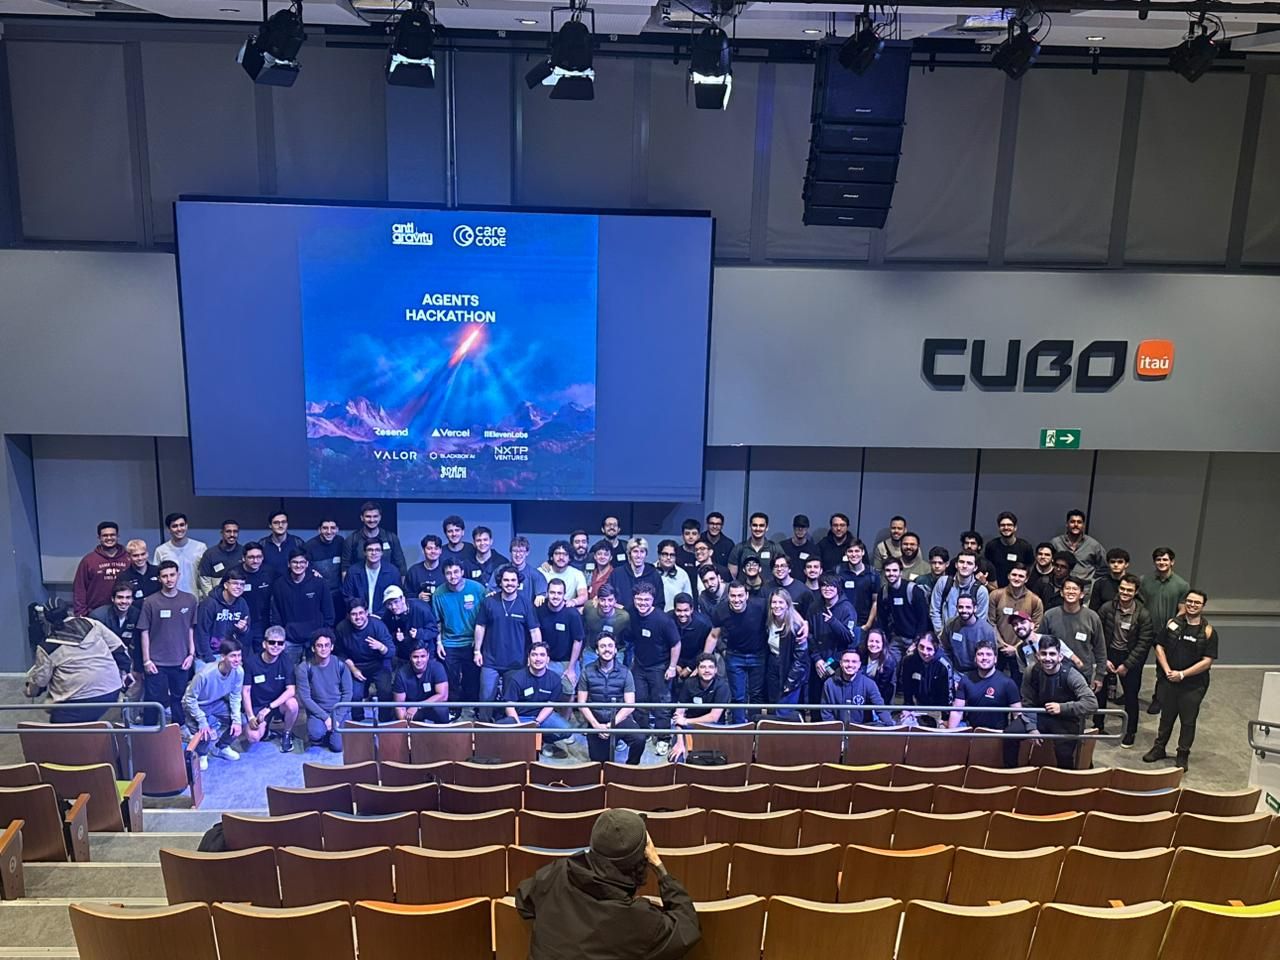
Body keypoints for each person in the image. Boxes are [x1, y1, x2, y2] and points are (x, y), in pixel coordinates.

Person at [514, 808, 701, 960]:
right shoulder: (639, 919)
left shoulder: (556, 873)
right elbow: (687, 928)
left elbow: (523, 901)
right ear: (643, 861)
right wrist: (660, 869)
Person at [1143, 588, 1217, 770]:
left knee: (1188, 721)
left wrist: (1182, 674)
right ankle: (1159, 748)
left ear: (1203, 606)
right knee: (1166, 718)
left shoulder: (1208, 631)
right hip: (1169, 681)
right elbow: (1159, 646)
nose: (1192, 605)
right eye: (1190, 601)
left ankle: (1182, 754)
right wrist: (1168, 670)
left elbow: (1207, 661)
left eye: (1197, 603)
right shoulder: (1172, 624)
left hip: (1193, 686)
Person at [25, 599, 131, 723]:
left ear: (46, 619)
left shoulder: (47, 647)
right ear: (68, 611)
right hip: (111, 691)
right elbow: (118, 648)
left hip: (76, 701)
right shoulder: (92, 623)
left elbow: (40, 681)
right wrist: (125, 672)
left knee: (58, 727)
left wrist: (30, 691)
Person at [1018, 635, 1098, 769]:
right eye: (1043, 653)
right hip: (1040, 715)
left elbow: (1091, 703)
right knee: (1010, 735)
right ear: (1038, 655)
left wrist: (1062, 708)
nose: (1047, 658)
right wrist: (1031, 727)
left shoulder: (1072, 675)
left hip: (1065, 719)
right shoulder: (1031, 671)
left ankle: (1065, 779)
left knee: (1064, 754)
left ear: (1060, 657)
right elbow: (1027, 701)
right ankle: (1012, 774)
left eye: (1052, 654)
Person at [475, 565, 541, 721]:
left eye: (513, 580)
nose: (509, 583)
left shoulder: (526, 604)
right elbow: (480, 626)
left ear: (518, 583)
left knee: (511, 701)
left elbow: (534, 631)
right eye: (506, 580)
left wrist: (537, 655)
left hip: (516, 662)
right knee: (485, 699)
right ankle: (483, 729)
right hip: (490, 661)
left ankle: (508, 729)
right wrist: (477, 651)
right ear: (500, 582)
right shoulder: (489, 602)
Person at [1098, 574, 1155, 748]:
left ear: (1135, 592)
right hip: (1109, 654)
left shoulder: (1143, 614)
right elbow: (1098, 635)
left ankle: (1130, 732)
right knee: (1100, 691)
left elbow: (1144, 643)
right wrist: (1104, 659)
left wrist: (1127, 664)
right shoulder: (1107, 608)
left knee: (1131, 697)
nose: (1125, 592)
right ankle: (1098, 726)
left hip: (1130, 658)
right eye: (1122, 589)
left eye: (1129, 590)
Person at [138, 560, 197, 726]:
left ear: (178, 575)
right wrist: (146, 660)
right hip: (156, 662)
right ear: (159, 579)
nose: (169, 579)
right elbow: (144, 631)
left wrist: (191, 655)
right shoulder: (150, 602)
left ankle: (179, 729)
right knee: (153, 701)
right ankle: (149, 731)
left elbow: (191, 629)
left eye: (172, 575)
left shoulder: (190, 600)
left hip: (181, 661)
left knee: (178, 699)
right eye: (164, 576)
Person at [1041, 576, 1107, 724]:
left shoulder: (1092, 617)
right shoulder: (1050, 615)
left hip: (1082, 675)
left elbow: (1100, 649)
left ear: (1082, 594)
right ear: (1062, 592)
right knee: (1053, 714)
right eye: (1067, 588)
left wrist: (1099, 676)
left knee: (1078, 718)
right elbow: (1040, 644)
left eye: (1075, 589)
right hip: (1053, 674)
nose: (1071, 592)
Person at [949, 639, 1023, 767]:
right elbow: (957, 711)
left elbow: (1018, 715)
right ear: (975, 658)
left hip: (998, 737)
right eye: (980, 654)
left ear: (995, 659)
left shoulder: (1008, 683)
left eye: (988, 654)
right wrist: (950, 736)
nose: (984, 658)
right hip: (973, 735)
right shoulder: (965, 680)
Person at [577, 635, 647, 765]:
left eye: (610, 646)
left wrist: (611, 725)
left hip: (619, 719)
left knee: (639, 739)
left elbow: (630, 705)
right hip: (596, 720)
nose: (607, 649)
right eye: (602, 646)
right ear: (597, 651)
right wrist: (596, 726)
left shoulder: (625, 672)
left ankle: (630, 768)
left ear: (615, 650)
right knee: (600, 763)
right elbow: (581, 704)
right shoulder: (587, 671)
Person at [706, 582, 769, 723]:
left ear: (747, 595)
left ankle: (755, 726)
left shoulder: (761, 605)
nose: (737, 599)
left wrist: (803, 623)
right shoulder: (720, 610)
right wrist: (704, 660)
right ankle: (739, 728)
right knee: (737, 696)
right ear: (728, 596)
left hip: (758, 655)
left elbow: (784, 609)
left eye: (740, 595)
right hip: (735, 656)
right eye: (733, 596)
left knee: (756, 695)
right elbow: (714, 636)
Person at [1139, 547, 1190, 717]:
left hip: (1166, 634)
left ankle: (1158, 699)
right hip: (1144, 630)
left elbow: (1183, 609)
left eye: (1165, 559)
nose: (1162, 562)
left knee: (1162, 669)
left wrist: (1173, 622)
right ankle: (1130, 693)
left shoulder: (1182, 585)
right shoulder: (1144, 581)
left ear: (1172, 562)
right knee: (1135, 664)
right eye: (1158, 559)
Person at [432, 559, 487, 715]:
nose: (453, 576)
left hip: (473, 642)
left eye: (456, 572)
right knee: (452, 680)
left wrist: (480, 645)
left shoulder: (478, 589)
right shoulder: (439, 593)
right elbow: (437, 621)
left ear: (462, 572)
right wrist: (439, 642)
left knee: (473, 679)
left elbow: (486, 617)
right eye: (448, 573)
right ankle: (454, 709)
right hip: (449, 643)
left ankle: (474, 709)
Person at [181, 638, 243, 770]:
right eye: (233, 656)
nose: (237, 660)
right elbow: (189, 699)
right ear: (223, 657)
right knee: (205, 733)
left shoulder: (239, 671)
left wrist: (236, 720)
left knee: (240, 722)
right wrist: (202, 721)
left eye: (239, 655)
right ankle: (201, 754)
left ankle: (221, 747)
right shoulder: (204, 674)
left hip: (216, 702)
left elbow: (235, 696)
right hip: (196, 704)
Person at [503, 641, 572, 757]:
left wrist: (537, 723)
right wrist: (519, 727)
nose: (538, 659)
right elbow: (509, 706)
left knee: (566, 729)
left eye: (542, 655)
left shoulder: (555, 679)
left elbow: (550, 705)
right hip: (520, 717)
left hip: (542, 718)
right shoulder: (517, 678)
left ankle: (545, 741)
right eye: (534, 655)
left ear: (547, 659)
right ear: (528, 658)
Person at [270, 548, 336, 665]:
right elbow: (276, 613)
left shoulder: (319, 583)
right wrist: (282, 634)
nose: (298, 565)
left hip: (315, 639)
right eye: (295, 562)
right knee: (290, 673)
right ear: (289, 564)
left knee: (315, 673)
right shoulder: (279, 585)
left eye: (302, 562)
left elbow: (328, 611)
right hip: (289, 640)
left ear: (307, 564)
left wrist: (323, 634)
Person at [806, 574, 859, 715]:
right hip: (817, 661)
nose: (827, 589)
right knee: (815, 699)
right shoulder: (814, 607)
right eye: (824, 585)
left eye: (831, 586)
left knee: (832, 699)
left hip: (837, 662)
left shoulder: (847, 609)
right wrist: (817, 659)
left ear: (838, 588)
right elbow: (809, 635)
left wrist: (833, 622)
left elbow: (849, 638)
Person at [241, 626, 299, 752]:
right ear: (264, 644)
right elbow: (245, 691)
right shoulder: (251, 662)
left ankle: (287, 734)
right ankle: (266, 731)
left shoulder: (287, 662)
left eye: (280, 643)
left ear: (284, 646)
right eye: (272, 642)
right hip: (258, 705)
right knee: (253, 737)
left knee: (293, 704)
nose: (276, 646)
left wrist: (269, 708)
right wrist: (250, 716)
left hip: (277, 705)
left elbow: (291, 690)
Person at [336, 598, 394, 722]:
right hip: (356, 665)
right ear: (348, 615)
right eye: (354, 614)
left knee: (385, 691)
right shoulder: (342, 628)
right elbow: (340, 653)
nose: (358, 617)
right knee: (354, 695)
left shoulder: (378, 626)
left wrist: (381, 647)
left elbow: (391, 651)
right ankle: (358, 722)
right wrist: (353, 668)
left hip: (379, 664)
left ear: (367, 613)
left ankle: (386, 722)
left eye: (361, 613)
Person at [296, 628, 352, 752]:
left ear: (332, 647)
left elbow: (347, 694)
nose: (323, 649)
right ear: (313, 648)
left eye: (327, 645)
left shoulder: (341, 665)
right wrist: (326, 718)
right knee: (315, 734)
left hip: (339, 710)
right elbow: (305, 698)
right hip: (318, 710)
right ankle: (323, 732)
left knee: (337, 747)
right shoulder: (304, 668)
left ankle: (332, 732)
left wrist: (336, 719)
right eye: (319, 646)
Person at [987, 562, 1044, 684]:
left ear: (1026, 579)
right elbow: (991, 622)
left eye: (1021, 576)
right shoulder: (995, 595)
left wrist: (1017, 648)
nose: (1017, 578)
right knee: (993, 685)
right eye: (1014, 575)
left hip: (1023, 652)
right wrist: (1001, 645)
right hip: (998, 650)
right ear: (1008, 576)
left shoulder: (1035, 601)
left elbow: (1036, 627)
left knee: (1020, 686)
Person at [764, 589, 809, 720]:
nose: (777, 606)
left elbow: (800, 660)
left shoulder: (796, 627)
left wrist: (790, 683)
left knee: (784, 712)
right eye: (774, 602)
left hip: (791, 671)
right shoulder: (769, 621)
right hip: (773, 666)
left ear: (787, 605)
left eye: (781, 602)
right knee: (773, 709)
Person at [535, 577, 586, 685]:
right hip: (546, 660)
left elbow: (578, 641)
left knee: (569, 690)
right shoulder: (539, 610)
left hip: (567, 661)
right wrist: (541, 660)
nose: (555, 596)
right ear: (547, 593)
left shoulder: (572, 614)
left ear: (564, 595)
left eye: (559, 593)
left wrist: (571, 668)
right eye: (552, 592)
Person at [820, 648, 893, 725]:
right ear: (841, 663)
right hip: (837, 729)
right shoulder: (829, 684)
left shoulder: (869, 684)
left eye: (854, 662)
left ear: (859, 664)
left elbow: (880, 709)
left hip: (862, 729)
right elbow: (826, 713)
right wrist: (836, 729)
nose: (850, 665)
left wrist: (891, 726)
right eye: (846, 661)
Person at [72, 521, 131, 615]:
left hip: (126, 612)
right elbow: (79, 589)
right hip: (96, 613)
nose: (109, 538)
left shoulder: (129, 558)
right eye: (105, 535)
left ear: (118, 536)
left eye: (112, 535)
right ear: (99, 538)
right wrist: (81, 613)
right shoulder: (89, 560)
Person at [878, 557, 930, 664]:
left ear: (901, 572)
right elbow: (882, 619)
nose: (891, 574)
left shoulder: (913, 590)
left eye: (894, 570)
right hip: (896, 639)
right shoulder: (883, 592)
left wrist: (916, 643)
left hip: (914, 639)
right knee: (889, 666)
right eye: (888, 570)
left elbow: (923, 619)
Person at [194, 569, 250, 663]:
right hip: (209, 655)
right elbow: (201, 633)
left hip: (231, 653)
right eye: (235, 583)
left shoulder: (242, 603)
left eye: (242, 584)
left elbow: (245, 632)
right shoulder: (209, 604)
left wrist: (243, 629)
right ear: (225, 585)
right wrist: (209, 659)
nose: (239, 587)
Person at [899, 634, 955, 726]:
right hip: (917, 705)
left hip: (938, 709)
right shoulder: (909, 660)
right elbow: (906, 687)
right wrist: (908, 707)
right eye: (921, 647)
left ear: (935, 648)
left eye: (929, 649)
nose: (924, 652)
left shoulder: (944, 665)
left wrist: (945, 717)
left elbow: (949, 694)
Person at [929, 551, 990, 635]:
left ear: (975, 568)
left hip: (968, 637)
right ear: (956, 565)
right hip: (942, 635)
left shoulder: (981, 591)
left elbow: (980, 621)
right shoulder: (943, 582)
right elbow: (934, 610)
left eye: (969, 563)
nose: (964, 566)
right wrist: (941, 634)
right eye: (961, 562)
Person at [91, 582, 142, 679]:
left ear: (132, 599)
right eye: (120, 597)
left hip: (126, 658)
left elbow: (138, 644)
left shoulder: (136, 615)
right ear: (112, 599)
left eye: (128, 597)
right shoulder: (98, 616)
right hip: (102, 660)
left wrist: (135, 669)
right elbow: (96, 648)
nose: (124, 601)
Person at [342, 501, 407, 576]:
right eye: (368, 516)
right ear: (362, 518)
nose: (372, 520)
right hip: (360, 582)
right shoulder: (351, 540)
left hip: (387, 581)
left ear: (380, 517)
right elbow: (345, 569)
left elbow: (401, 567)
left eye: (375, 516)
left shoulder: (391, 538)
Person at [381, 584, 441, 665]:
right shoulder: (388, 615)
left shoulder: (421, 608)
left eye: (396, 602)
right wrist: (395, 637)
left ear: (403, 599)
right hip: (404, 656)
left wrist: (419, 633)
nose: (393, 607)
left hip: (424, 655)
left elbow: (434, 630)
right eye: (389, 604)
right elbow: (385, 635)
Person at [393, 643, 449, 724]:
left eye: (423, 656)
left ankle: (441, 731)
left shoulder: (437, 667)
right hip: (410, 709)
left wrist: (418, 705)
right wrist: (405, 725)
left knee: (442, 709)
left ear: (428, 656)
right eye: (415, 657)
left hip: (430, 705)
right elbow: (399, 706)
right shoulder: (401, 674)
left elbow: (443, 696)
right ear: (410, 657)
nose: (419, 660)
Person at [342, 539, 401, 617]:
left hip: (385, 617)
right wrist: (362, 614)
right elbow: (347, 596)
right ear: (364, 553)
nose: (374, 553)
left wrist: (378, 616)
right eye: (370, 550)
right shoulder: (353, 571)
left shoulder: (393, 572)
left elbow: (396, 597)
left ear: (382, 553)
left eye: (377, 550)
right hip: (359, 617)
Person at [153, 513, 206, 597]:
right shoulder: (161, 551)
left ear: (186, 526)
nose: (179, 529)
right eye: (174, 526)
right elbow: (157, 577)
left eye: (182, 525)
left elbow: (205, 577)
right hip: (170, 599)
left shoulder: (200, 548)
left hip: (195, 598)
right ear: (169, 529)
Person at [941, 594, 997, 674]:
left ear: (975, 608)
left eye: (968, 607)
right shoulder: (950, 624)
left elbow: (992, 657)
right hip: (955, 671)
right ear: (956, 608)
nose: (964, 610)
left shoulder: (986, 630)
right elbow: (945, 649)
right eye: (961, 607)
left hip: (978, 673)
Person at [1051, 509, 1107, 587]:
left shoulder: (1094, 545)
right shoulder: (1056, 543)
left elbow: (1104, 567)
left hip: (1085, 588)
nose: (1076, 525)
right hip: (1059, 586)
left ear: (1083, 525)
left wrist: (1092, 580)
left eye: (1079, 522)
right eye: (1072, 522)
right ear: (1067, 524)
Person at [236, 543, 274, 651]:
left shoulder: (270, 572)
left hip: (262, 623)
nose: (255, 561)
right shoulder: (234, 573)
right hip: (240, 622)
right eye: (251, 557)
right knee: (241, 654)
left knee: (260, 654)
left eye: (259, 557)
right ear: (243, 558)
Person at [609, 537, 664, 611]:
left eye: (642, 552)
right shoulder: (617, 573)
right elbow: (609, 598)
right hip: (622, 615)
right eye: (635, 551)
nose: (638, 556)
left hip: (647, 616)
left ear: (646, 554)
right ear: (629, 554)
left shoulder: (654, 575)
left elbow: (659, 603)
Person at [583, 585, 631, 669]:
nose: (606, 604)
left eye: (610, 600)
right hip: (591, 651)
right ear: (597, 599)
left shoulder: (624, 617)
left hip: (615, 653)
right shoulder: (589, 608)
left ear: (615, 601)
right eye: (602, 600)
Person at [304, 518, 346, 614]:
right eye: (325, 528)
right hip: (319, 594)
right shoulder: (309, 546)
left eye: (333, 528)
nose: (329, 532)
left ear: (337, 529)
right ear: (319, 530)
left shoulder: (341, 542)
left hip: (339, 593)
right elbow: (304, 568)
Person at [836, 540, 879, 632]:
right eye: (850, 551)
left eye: (857, 551)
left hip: (864, 625)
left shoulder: (873, 574)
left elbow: (875, 601)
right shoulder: (838, 571)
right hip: (842, 624)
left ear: (863, 552)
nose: (853, 554)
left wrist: (868, 625)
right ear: (846, 553)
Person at [984, 512, 1035, 587]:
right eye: (1003, 525)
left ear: (1015, 528)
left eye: (1009, 525)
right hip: (995, 589)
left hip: (1017, 588)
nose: (1006, 527)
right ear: (999, 528)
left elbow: (1029, 568)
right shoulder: (991, 546)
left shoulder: (1025, 547)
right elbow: (988, 568)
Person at [196, 520, 243, 601]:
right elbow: (205, 581)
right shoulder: (210, 554)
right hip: (216, 600)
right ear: (222, 533)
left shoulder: (243, 552)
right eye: (228, 531)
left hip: (239, 600)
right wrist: (212, 601)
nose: (232, 535)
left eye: (235, 531)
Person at [671, 594, 712, 686]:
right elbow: (664, 646)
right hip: (672, 660)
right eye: (679, 610)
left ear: (692, 609)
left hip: (696, 660)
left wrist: (690, 667)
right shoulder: (668, 620)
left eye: (686, 610)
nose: (682, 614)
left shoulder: (704, 624)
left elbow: (706, 650)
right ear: (674, 610)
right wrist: (675, 664)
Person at [727, 512, 779, 579]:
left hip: (769, 586)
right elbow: (732, 576)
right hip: (744, 585)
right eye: (755, 525)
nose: (758, 528)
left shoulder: (775, 548)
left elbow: (782, 571)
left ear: (767, 528)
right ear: (750, 527)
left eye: (761, 525)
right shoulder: (739, 548)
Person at [540, 540, 589, 609]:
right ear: (551, 557)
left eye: (565, 554)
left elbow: (583, 595)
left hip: (567, 609)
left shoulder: (577, 574)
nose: (561, 557)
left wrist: (574, 602)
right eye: (557, 553)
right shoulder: (541, 572)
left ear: (569, 558)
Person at [260, 511, 306, 582]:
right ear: (270, 525)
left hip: (292, 585)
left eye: (283, 522)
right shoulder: (262, 544)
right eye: (276, 523)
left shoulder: (298, 542)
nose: (280, 525)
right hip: (268, 586)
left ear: (287, 524)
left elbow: (306, 564)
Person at [117, 538, 160, 609]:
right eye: (135, 555)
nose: (140, 558)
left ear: (147, 554)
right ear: (128, 557)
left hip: (158, 611)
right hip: (136, 613)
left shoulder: (158, 571)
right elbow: (122, 601)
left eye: (143, 554)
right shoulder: (124, 577)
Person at [506, 536, 549, 606]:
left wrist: (541, 596)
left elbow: (544, 593)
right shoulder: (500, 571)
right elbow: (492, 591)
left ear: (527, 552)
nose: (518, 554)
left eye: (521, 551)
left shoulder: (536, 575)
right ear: (510, 552)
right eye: (515, 551)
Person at [405, 534, 446, 604]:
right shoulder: (413, 571)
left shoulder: (447, 570)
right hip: (420, 608)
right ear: (423, 551)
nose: (433, 551)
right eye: (429, 548)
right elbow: (406, 594)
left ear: (440, 551)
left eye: (436, 548)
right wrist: (418, 597)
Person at [654, 540, 693, 611]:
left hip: (675, 615)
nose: (668, 558)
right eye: (665, 554)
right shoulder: (650, 571)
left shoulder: (682, 574)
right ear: (659, 555)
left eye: (672, 555)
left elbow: (688, 600)